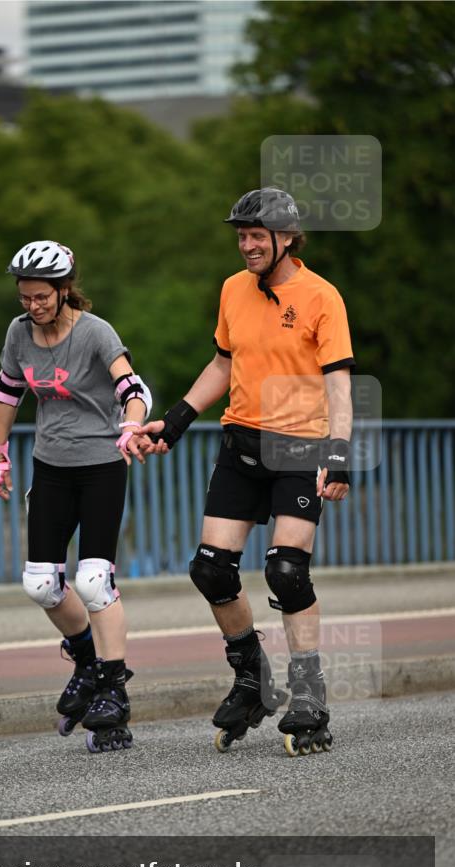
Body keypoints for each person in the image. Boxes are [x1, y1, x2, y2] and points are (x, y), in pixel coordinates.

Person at [139, 188, 354, 757]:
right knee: (210, 571)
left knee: (285, 571)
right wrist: (177, 421)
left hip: (300, 447)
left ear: (287, 239)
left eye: (258, 236)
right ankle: (253, 680)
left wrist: (339, 453)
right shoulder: (234, 289)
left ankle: (309, 696)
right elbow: (222, 362)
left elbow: (338, 382)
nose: (248, 245)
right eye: (241, 235)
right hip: (241, 442)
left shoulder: (321, 296)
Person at [0, 240, 151, 753]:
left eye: (41, 297)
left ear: (63, 291)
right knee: (41, 584)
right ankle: (85, 659)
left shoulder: (96, 333)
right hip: (51, 468)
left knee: (93, 579)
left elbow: (135, 390)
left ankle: (113, 688)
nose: (32, 307)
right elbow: (7, 390)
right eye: (25, 298)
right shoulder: (19, 334)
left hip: (102, 467)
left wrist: (131, 426)